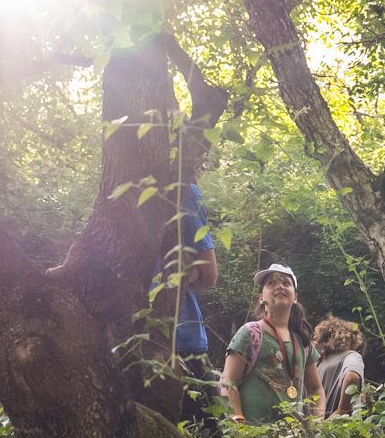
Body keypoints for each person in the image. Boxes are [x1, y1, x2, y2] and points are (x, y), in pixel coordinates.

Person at [220, 264, 323, 424]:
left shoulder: (303, 341)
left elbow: (316, 389)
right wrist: (239, 424)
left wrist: (316, 423)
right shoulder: (250, 333)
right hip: (254, 437)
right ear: (261, 297)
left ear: (295, 297)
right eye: (272, 283)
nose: (280, 286)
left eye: (286, 283)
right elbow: (227, 382)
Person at [154, 175, 220, 377]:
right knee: (206, 405)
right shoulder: (184, 191)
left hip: (129, 334)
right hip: (181, 334)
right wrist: (192, 272)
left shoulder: (123, 188)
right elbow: (210, 274)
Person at [314, 316, 367, 417]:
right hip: (338, 427)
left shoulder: (317, 363)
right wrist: (342, 410)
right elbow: (352, 377)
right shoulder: (350, 356)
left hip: (315, 425)